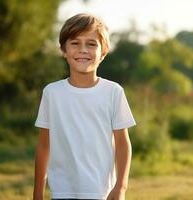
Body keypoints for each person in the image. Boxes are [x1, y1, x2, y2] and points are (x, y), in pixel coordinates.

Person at [33, 13, 136, 200]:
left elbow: (122, 144)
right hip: (62, 190)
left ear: (103, 53)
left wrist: (120, 187)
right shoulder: (52, 93)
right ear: (64, 50)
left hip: (100, 190)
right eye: (75, 43)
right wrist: (37, 193)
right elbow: (43, 145)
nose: (83, 50)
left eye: (91, 44)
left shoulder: (113, 92)